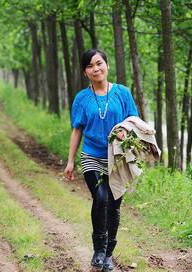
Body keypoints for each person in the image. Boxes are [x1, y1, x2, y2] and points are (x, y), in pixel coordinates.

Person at [64, 49, 139, 271]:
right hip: (92, 156)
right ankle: (98, 249)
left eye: (99, 63)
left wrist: (126, 132)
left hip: (117, 158)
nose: (96, 69)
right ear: (85, 72)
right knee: (101, 197)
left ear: (106, 65)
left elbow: (133, 121)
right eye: (90, 66)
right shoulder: (82, 98)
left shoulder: (122, 93)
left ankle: (108, 255)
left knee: (114, 204)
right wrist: (70, 161)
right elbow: (77, 130)